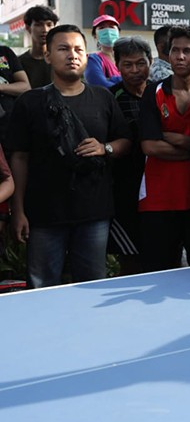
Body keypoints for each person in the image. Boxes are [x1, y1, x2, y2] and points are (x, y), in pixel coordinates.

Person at [7, 24, 131, 288]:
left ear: (87, 56)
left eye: (78, 49)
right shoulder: (29, 102)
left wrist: (104, 148)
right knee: (41, 289)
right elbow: (19, 158)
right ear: (49, 55)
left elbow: (125, 142)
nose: (72, 55)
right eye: (63, 49)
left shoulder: (103, 98)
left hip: (94, 213)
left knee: (92, 288)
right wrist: (17, 210)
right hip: (43, 215)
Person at [138, 25, 190, 272]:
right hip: (158, 199)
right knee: (158, 272)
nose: (180, 56)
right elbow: (150, 146)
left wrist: (177, 140)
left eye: (187, 51)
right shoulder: (153, 92)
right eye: (175, 51)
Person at [108, 36, 152, 275]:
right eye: (128, 64)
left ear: (151, 62)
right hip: (125, 192)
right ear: (117, 66)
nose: (135, 70)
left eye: (140, 63)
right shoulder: (109, 98)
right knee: (130, 259)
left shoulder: (161, 93)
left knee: (161, 254)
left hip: (158, 188)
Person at [20, 5, 59, 88]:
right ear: (28, 28)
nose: (45, 30)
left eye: (49, 25)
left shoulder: (60, 59)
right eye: (38, 25)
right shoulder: (19, 62)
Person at [85, 14, 121, 88]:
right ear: (95, 36)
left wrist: (111, 79)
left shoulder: (127, 57)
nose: (108, 31)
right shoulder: (93, 60)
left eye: (111, 27)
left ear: (118, 32)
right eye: (101, 28)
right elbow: (101, 85)